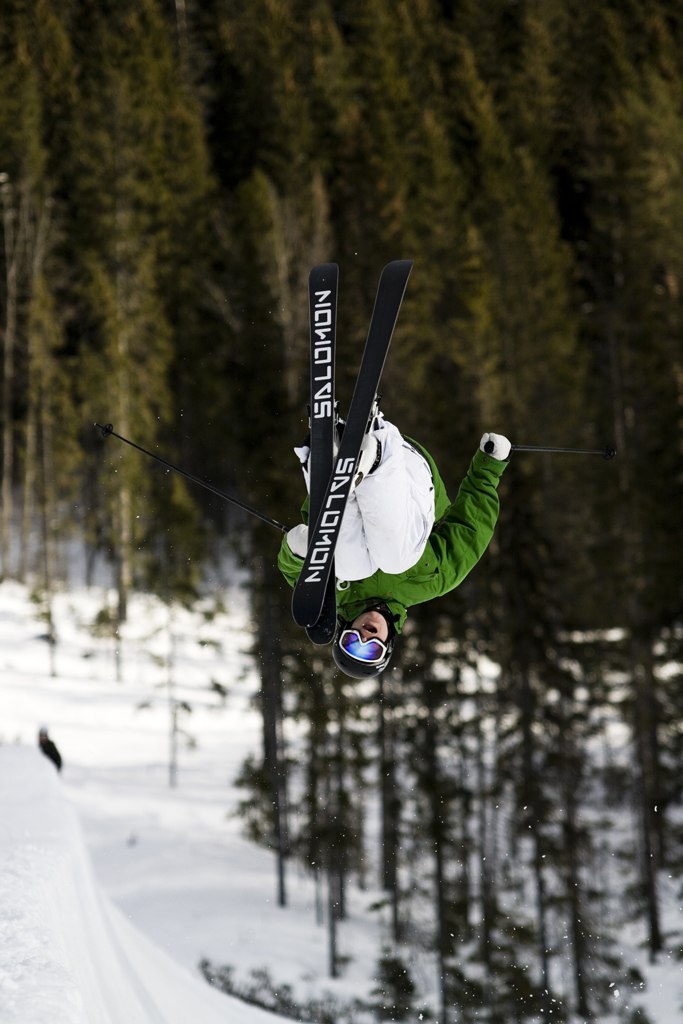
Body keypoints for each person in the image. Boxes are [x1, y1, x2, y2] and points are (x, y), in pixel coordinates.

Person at [278, 411, 509, 678]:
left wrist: (300, 551)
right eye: (372, 650)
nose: (365, 638)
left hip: (341, 486)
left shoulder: (324, 596)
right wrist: (489, 466)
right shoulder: (429, 583)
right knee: (394, 561)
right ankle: (376, 457)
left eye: (352, 643)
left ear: (342, 632)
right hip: (408, 472)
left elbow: (293, 571)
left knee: (350, 567)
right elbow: (471, 526)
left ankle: (331, 461)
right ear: (387, 644)